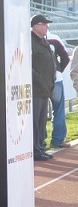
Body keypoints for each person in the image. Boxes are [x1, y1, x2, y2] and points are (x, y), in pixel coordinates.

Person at [31, 14, 57, 161]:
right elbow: (27, 65)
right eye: (44, 24)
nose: (47, 27)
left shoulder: (43, 41)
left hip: (45, 89)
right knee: (35, 122)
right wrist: (40, 79)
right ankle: (35, 149)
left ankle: (39, 147)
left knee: (41, 122)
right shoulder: (30, 41)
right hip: (36, 89)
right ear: (35, 26)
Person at [45, 30, 70, 149]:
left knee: (39, 112)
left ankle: (40, 143)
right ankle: (58, 140)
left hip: (39, 81)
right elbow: (65, 57)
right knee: (59, 110)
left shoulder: (28, 37)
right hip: (56, 80)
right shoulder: (54, 38)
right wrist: (58, 70)